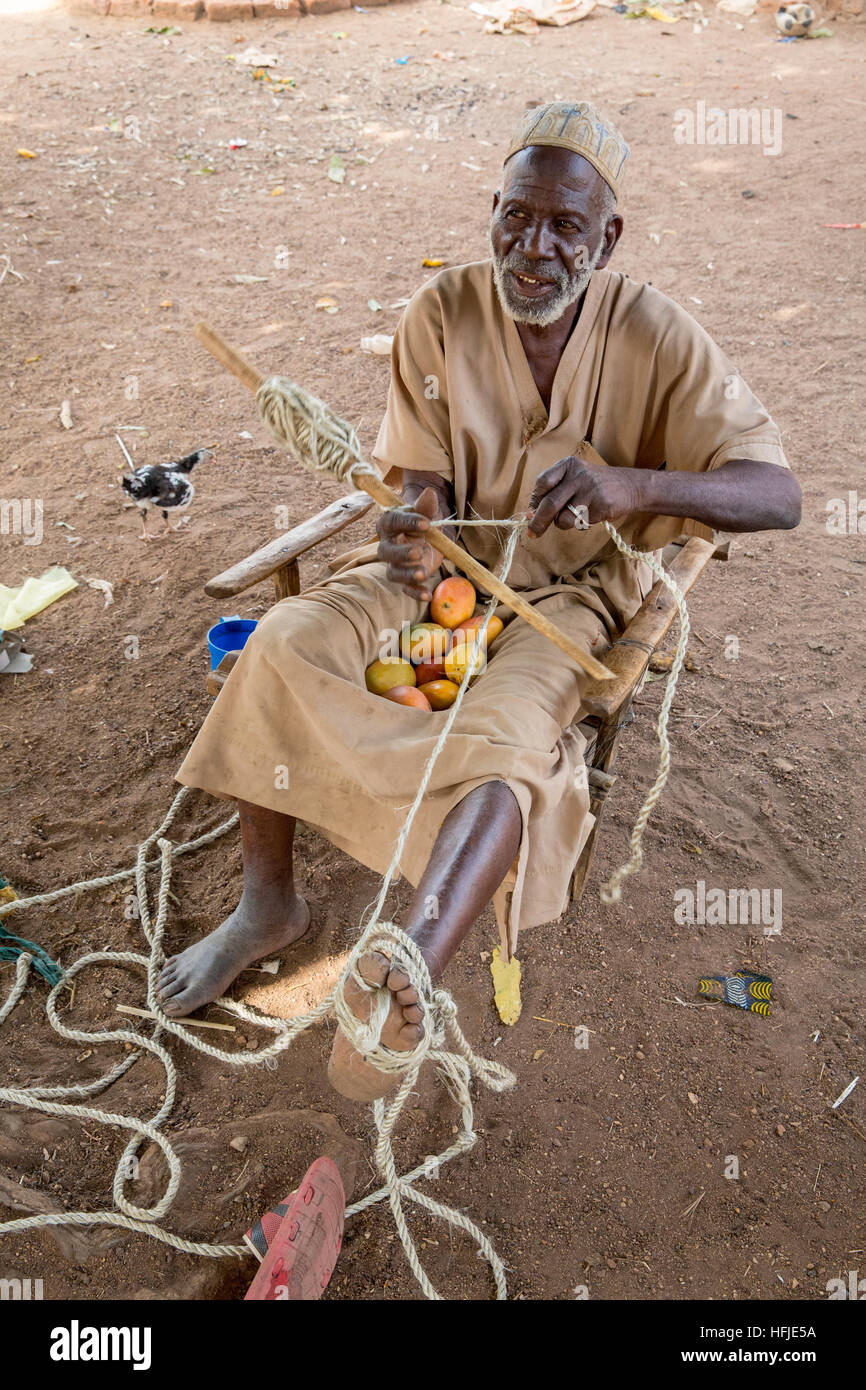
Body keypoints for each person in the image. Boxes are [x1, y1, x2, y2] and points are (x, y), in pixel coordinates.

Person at [160, 101, 801, 1100]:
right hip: (453, 574)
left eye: (564, 227)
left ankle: (400, 970)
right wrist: (416, 531)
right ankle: (267, 906)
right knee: (284, 643)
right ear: (492, 212)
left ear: (607, 237)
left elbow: (775, 494)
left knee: (507, 744)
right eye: (514, 217)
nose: (532, 249)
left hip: (576, 597)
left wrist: (632, 487)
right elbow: (422, 482)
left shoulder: (655, 336)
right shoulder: (443, 313)